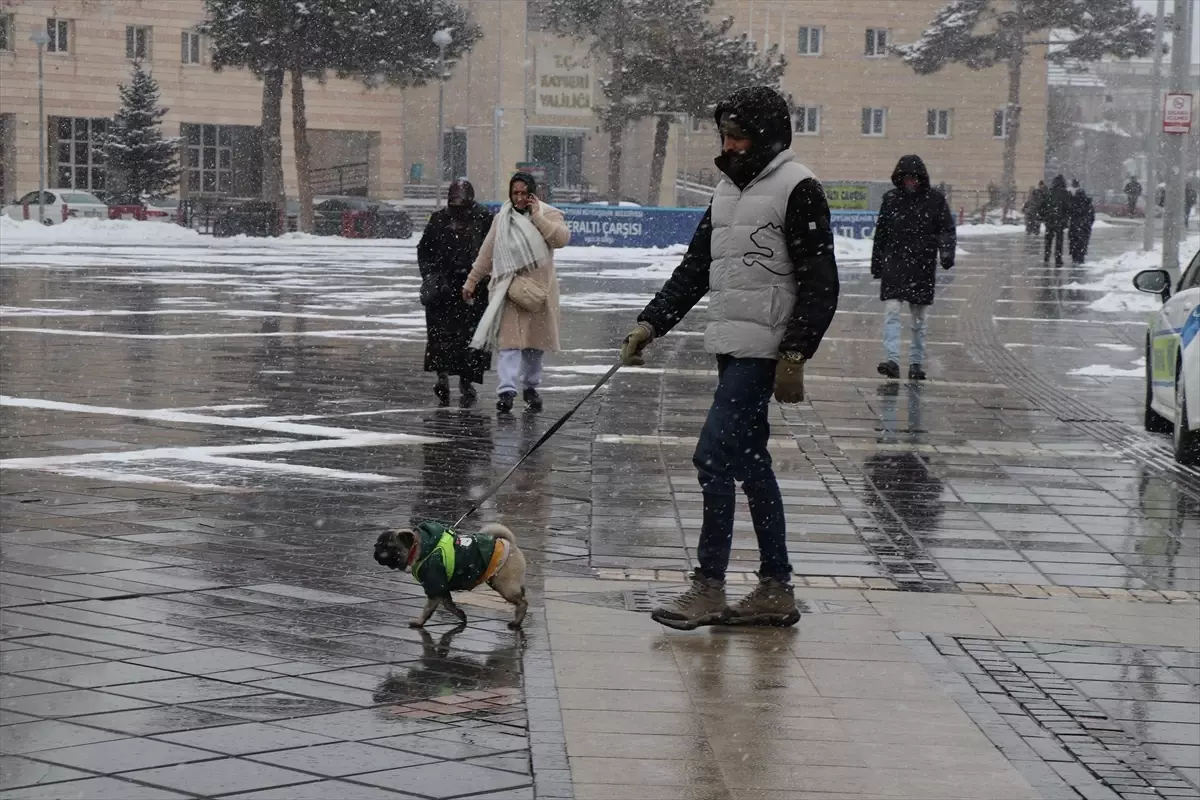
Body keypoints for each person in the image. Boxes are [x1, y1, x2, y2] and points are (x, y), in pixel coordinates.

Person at [619, 86, 839, 630]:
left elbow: (821, 281)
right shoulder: (724, 191)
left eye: (739, 134)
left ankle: (709, 586)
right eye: (725, 134)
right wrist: (652, 322)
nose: (730, 144)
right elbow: (695, 269)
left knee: (712, 458)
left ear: (767, 135)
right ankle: (775, 588)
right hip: (729, 344)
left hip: (764, 351)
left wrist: (795, 351)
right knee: (750, 463)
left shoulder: (798, 187)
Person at [463, 172, 569, 413]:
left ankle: (531, 387)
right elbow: (486, 253)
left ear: (533, 194)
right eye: (515, 193)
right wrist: (471, 281)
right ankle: (506, 391)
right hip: (508, 290)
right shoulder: (502, 219)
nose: (519, 198)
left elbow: (561, 239)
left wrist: (538, 218)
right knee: (509, 344)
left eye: (524, 193)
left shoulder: (549, 214)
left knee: (534, 345)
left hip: (539, 292)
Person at [870, 155, 956, 381]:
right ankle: (893, 360)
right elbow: (881, 235)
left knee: (919, 319)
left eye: (913, 177)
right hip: (895, 265)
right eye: (906, 177)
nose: (910, 181)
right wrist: (877, 264)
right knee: (891, 313)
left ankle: (916, 363)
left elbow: (947, 229)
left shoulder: (935, 200)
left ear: (921, 178)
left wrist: (946, 254)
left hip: (921, 266)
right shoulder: (890, 200)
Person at [417, 180, 493, 407]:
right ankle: (442, 375)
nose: (458, 210)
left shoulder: (483, 218)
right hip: (444, 290)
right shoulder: (439, 220)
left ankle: (466, 379)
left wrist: (484, 276)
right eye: (454, 204)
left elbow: (491, 250)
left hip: (473, 289)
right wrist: (431, 277)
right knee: (441, 337)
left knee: (471, 339)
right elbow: (424, 251)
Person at [1039, 175, 1070, 267]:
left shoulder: (1048, 192)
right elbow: (1068, 208)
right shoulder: (1065, 193)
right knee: (1059, 240)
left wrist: (1043, 217)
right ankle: (1058, 258)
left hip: (1049, 220)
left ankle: (1047, 256)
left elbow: (1042, 206)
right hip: (1060, 220)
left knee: (1048, 239)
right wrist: (1066, 218)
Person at [1067, 179, 1095, 266]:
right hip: (1085, 227)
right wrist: (1088, 224)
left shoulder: (1073, 203)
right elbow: (1092, 217)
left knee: (1074, 242)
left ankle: (1074, 258)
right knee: (1082, 243)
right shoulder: (1088, 204)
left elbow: (1069, 214)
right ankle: (1081, 257)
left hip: (1074, 227)